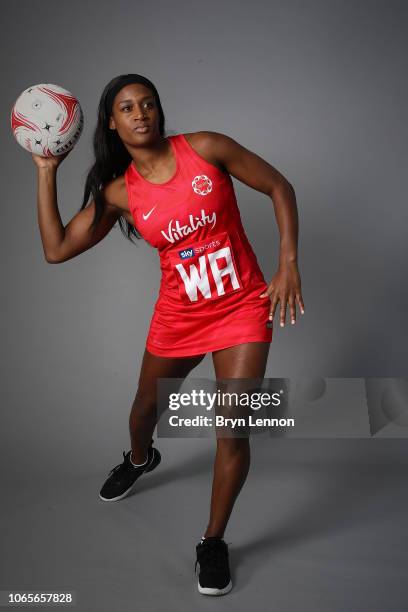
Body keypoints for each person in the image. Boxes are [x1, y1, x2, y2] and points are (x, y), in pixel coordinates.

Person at [32, 73, 304, 596]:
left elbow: (279, 186)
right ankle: (141, 457)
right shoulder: (118, 193)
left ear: (159, 111)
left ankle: (212, 541)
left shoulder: (207, 148)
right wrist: (47, 170)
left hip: (242, 307)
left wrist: (287, 261)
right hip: (179, 317)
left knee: (235, 425)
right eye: (128, 108)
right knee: (142, 412)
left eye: (149, 104)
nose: (141, 113)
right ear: (112, 123)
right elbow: (57, 248)